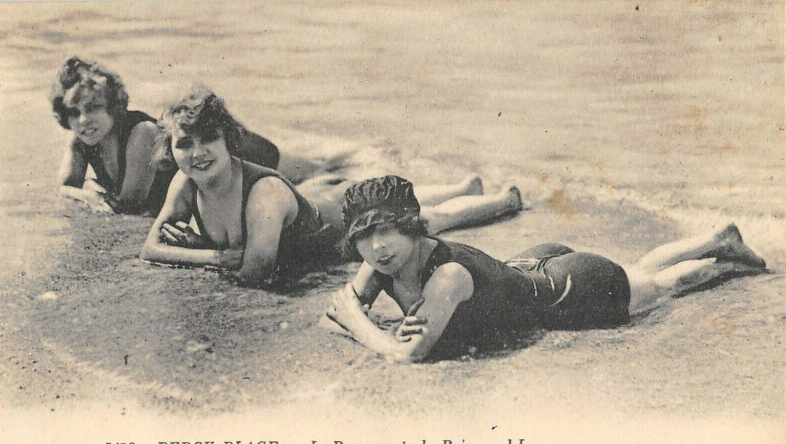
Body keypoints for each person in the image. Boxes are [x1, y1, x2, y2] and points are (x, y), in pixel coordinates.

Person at [325, 176, 767, 362]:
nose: (377, 247)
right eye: (364, 236)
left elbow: (405, 353)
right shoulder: (386, 261)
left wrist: (357, 323)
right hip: (527, 271)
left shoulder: (447, 276)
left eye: (387, 232)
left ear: (412, 228)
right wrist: (350, 316)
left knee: (659, 286)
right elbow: (338, 315)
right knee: (640, 273)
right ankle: (715, 239)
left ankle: (718, 254)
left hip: (571, 287)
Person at [140, 88, 523, 285]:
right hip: (318, 197)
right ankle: (461, 184)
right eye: (184, 144)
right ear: (169, 149)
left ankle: (503, 201)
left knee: (429, 220)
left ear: (229, 140)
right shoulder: (185, 183)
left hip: (340, 221)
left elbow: (255, 272)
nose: (198, 153)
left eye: (208, 139)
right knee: (400, 197)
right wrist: (210, 256)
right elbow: (150, 248)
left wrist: (200, 248)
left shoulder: (261, 195)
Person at [50, 57, 279, 214]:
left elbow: (128, 207)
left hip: (251, 155)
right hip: (211, 170)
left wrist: (91, 189)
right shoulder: (83, 139)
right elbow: (65, 188)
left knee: (306, 173)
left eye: (92, 108)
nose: (82, 120)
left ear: (111, 105)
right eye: (73, 112)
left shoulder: (141, 133)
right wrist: (90, 196)